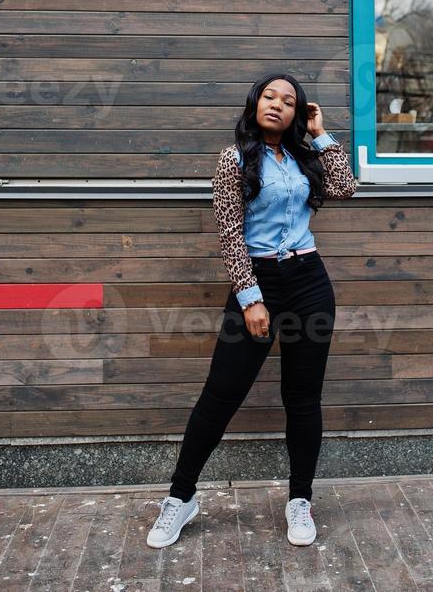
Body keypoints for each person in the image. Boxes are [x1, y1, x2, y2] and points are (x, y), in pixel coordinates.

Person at [147, 72, 358, 549]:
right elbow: (229, 232)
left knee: (303, 398)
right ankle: (180, 500)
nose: (277, 105)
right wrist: (250, 297)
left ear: (296, 113)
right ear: (255, 102)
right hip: (258, 282)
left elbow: (345, 187)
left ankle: (299, 500)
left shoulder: (304, 158)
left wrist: (320, 132)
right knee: (220, 396)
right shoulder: (234, 159)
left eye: (289, 102)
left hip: (309, 283)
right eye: (270, 96)